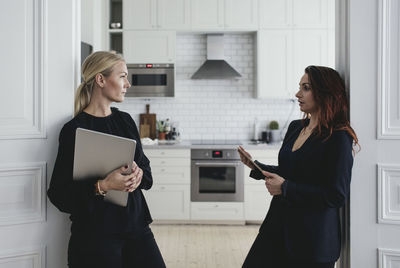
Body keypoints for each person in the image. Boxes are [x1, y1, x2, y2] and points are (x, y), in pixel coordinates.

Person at [47, 51, 166, 268]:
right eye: (122, 76)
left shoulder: (126, 121)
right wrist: (103, 186)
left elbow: (147, 173)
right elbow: (58, 194)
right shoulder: (73, 130)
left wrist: (139, 175)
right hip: (94, 237)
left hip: (137, 228)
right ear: (101, 80)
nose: (128, 84)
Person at [239, 65, 359, 268]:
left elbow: (336, 194)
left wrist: (285, 188)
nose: (298, 94)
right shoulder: (296, 127)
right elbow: (289, 171)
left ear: (324, 93)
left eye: (306, 88)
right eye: (299, 87)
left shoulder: (338, 137)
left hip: (312, 242)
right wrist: (257, 167)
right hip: (276, 228)